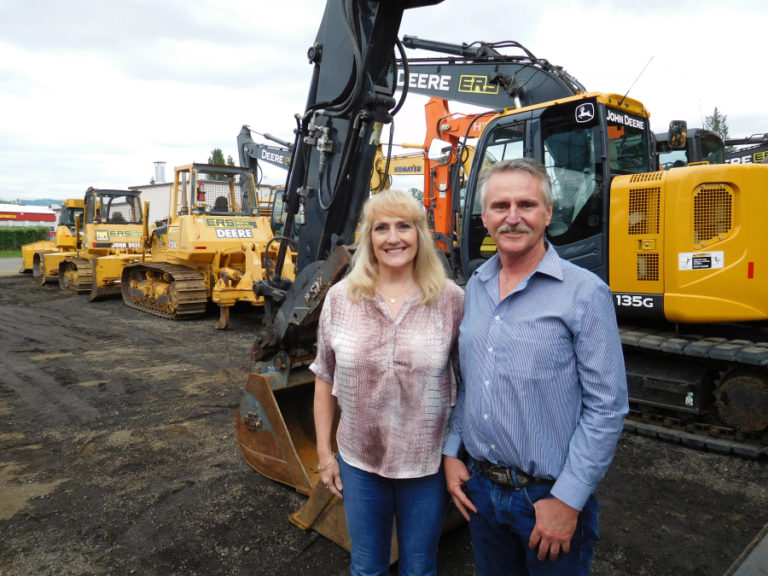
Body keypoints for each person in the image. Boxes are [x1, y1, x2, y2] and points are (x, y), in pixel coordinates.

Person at [443, 158, 628, 576]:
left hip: (546, 499)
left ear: (548, 213)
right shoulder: (477, 285)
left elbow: (606, 408)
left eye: (526, 205)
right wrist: (452, 451)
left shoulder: (584, 294)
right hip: (482, 492)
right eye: (500, 206)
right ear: (485, 217)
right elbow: (473, 380)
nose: (512, 218)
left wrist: (568, 500)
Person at [310, 188, 464, 576]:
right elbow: (323, 377)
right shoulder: (341, 299)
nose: (393, 237)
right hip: (360, 462)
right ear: (369, 238)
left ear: (420, 234)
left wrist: (456, 453)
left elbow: (469, 385)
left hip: (426, 465)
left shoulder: (450, 300)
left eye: (404, 226)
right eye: (382, 228)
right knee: (366, 567)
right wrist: (325, 456)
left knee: (419, 568)